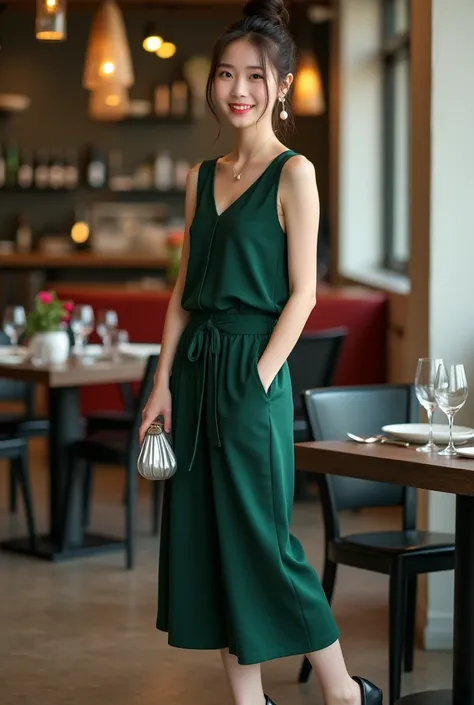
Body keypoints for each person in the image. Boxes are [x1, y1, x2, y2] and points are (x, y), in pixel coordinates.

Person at [139, 1, 383, 704]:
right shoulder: (201, 176)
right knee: (210, 540)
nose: (238, 88)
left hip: (253, 371)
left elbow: (303, 294)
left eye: (255, 75)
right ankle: (248, 700)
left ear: (281, 86)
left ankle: (342, 691)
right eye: (225, 74)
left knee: (265, 542)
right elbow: (186, 288)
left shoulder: (294, 173)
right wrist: (162, 382)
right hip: (196, 371)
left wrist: (257, 376)